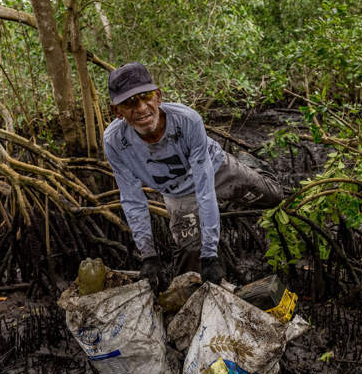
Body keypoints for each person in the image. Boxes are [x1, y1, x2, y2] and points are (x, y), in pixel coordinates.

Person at [103, 62, 282, 293]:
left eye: (145, 96)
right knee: (190, 261)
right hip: (178, 193)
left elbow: (205, 188)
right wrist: (148, 256)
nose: (140, 108)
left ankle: (246, 161)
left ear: (158, 97)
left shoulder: (187, 121)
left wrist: (210, 253)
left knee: (274, 196)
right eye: (128, 103)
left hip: (216, 169)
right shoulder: (114, 141)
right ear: (117, 111)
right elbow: (132, 199)